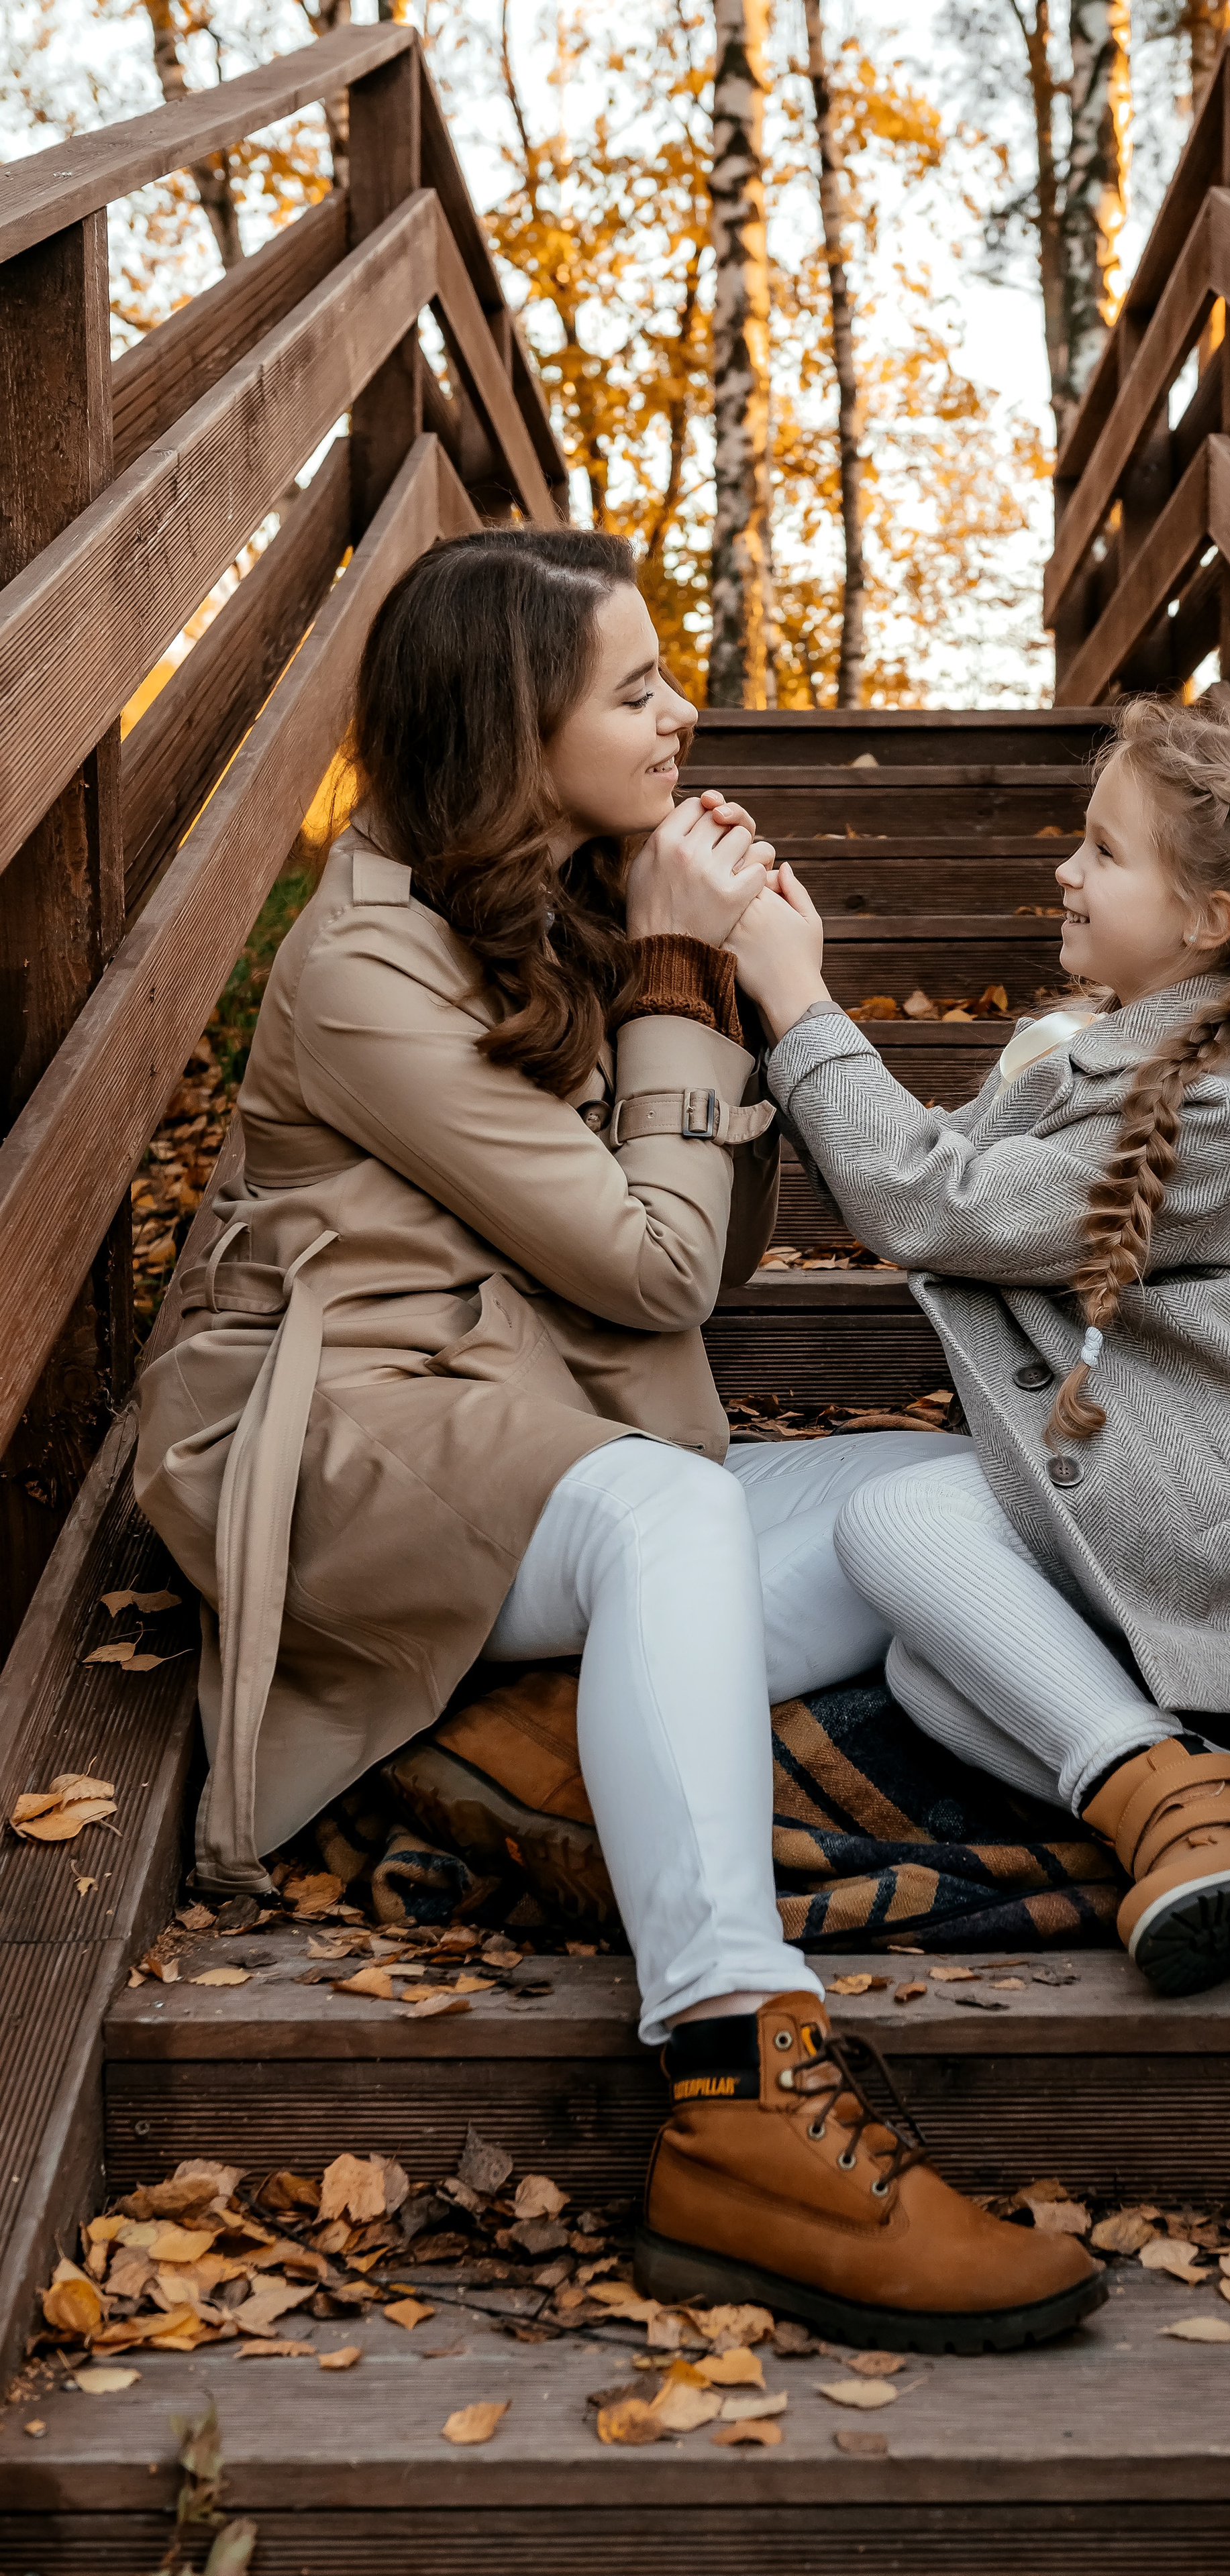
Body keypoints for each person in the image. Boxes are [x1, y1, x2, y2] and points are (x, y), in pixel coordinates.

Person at [133, 528, 1102, 2353]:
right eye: (636, 688)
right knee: (668, 1511)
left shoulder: (562, 917)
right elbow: (656, 1275)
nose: (683, 716)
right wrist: (672, 973)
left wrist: (726, 981)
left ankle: (1171, 1795)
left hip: (549, 1449)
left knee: (985, 1480)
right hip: (355, 1442)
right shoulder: (364, 974)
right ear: (517, 726)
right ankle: (742, 2079)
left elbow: (697, 1267)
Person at [727, 693, 1230, 1995]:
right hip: (1137, 1495)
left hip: (1215, 1541)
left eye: (1101, 849)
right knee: (932, 1667)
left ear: (1205, 921)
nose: (1062, 868)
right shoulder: (1089, 1051)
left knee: (892, 1531)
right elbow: (930, 1169)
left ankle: (1190, 1809)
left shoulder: (1209, 1110)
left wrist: (797, 996)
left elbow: (929, 1205)